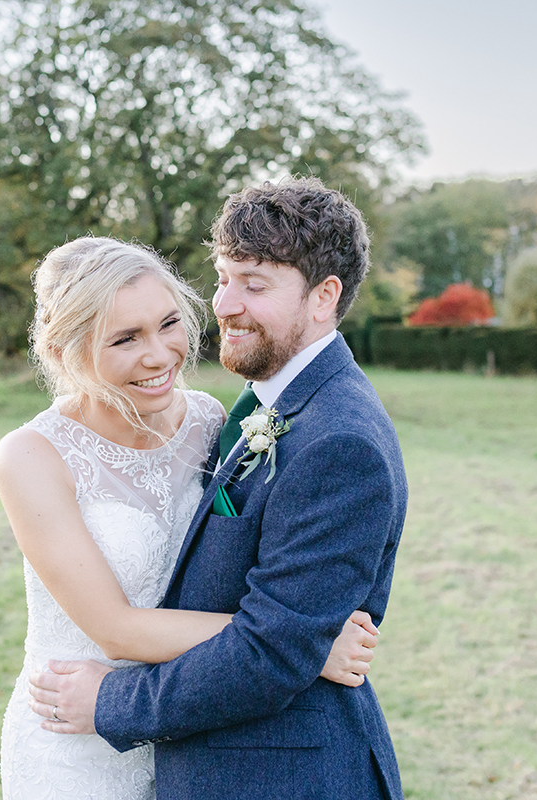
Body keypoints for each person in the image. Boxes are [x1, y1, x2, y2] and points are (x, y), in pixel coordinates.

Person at [27, 178, 409, 799]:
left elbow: (269, 652)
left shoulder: (340, 440)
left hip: (280, 775)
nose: (225, 304)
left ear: (323, 297)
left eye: (254, 285)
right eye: (224, 276)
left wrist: (111, 700)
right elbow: (279, 630)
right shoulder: (254, 405)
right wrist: (311, 640)